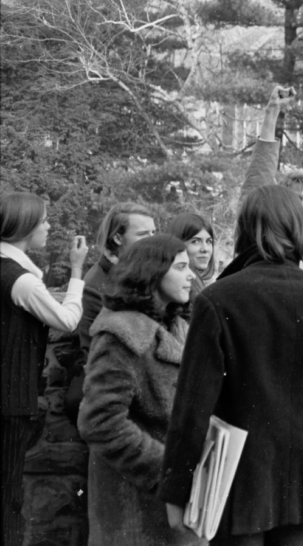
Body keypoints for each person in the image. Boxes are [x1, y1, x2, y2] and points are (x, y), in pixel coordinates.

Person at [160, 185, 303, 545]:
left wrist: (176, 491)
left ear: (245, 229)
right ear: (300, 230)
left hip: (236, 477)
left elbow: (192, 408)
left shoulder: (218, 298)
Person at [77, 235, 202, 546]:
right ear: (153, 273)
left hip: (173, 501)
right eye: (182, 267)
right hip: (136, 505)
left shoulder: (176, 327)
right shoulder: (121, 334)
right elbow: (100, 422)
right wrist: (169, 469)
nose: (192, 275)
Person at [1, 192, 89, 546]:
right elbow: (67, 320)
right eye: (45, 220)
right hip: (10, 403)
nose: (49, 226)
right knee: (8, 497)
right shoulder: (20, 280)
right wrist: (78, 269)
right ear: (26, 227)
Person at [240, 84, 303, 279]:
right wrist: (272, 112)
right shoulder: (262, 236)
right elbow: (259, 176)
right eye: (295, 198)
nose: (301, 206)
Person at [77, 203, 157, 355]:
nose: (153, 240)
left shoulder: (151, 273)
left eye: (153, 232)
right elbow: (93, 352)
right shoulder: (95, 286)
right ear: (118, 238)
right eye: (143, 234)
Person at [165, 213, 217, 300]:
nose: (205, 249)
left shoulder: (197, 283)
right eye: (195, 241)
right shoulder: (181, 288)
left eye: (208, 241)